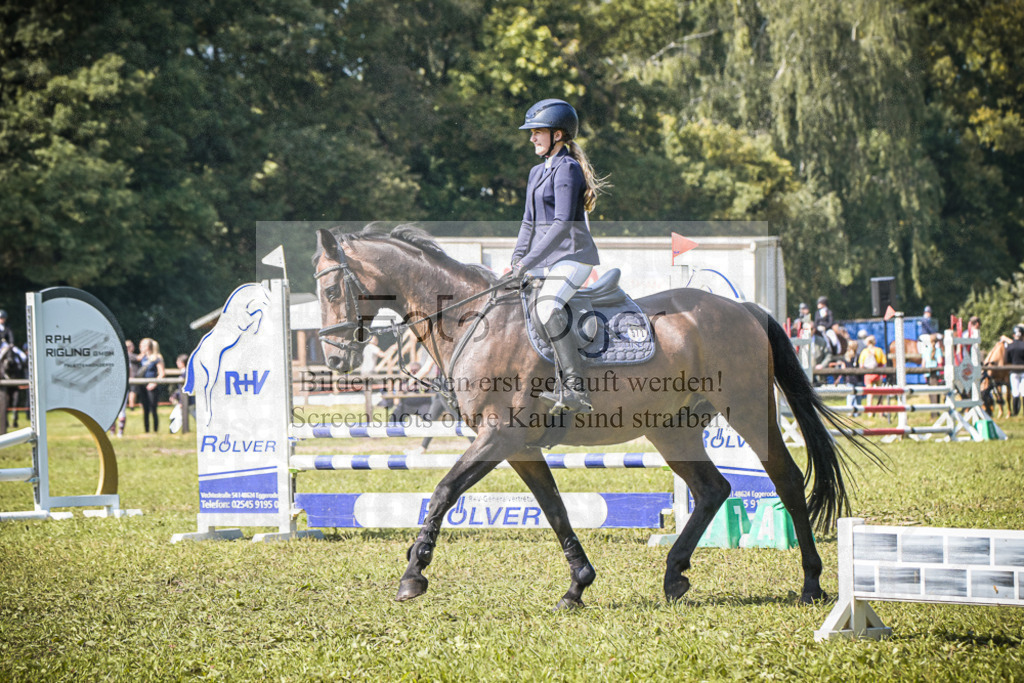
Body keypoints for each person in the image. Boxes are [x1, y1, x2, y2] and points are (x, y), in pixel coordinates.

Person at [511, 98, 607, 415]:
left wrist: (528, 262)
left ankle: (576, 389)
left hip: (574, 257)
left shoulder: (567, 170)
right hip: (547, 260)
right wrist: (516, 261)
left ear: (558, 135)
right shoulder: (537, 172)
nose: (531, 138)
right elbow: (528, 222)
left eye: (537, 131)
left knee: (548, 306)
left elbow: (561, 225)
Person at [138, 338, 165, 433]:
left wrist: (154, 383)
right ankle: (147, 430)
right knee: (145, 409)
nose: (140, 347)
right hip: (142, 386)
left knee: (153, 408)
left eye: (142, 345)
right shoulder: (143, 358)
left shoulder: (157, 358)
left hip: (152, 386)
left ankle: (155, 430)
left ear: (148, 347)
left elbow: (161, 373)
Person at [1000, 325, 1024, 417]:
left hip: (1013, 371)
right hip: (1023, 371)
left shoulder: (1009, 347)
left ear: (1014, 335)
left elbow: (1006, 360)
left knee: (1015, 392)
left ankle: (1015, 412)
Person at [858, 335, 887, 405]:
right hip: (877, 373)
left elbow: (861, 364)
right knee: (880, 393)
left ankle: (869, 411)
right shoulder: (879, 350)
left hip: (868, 374)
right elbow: (884, 363)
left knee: (869, 393)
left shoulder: (864, 351)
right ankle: (881, 411)